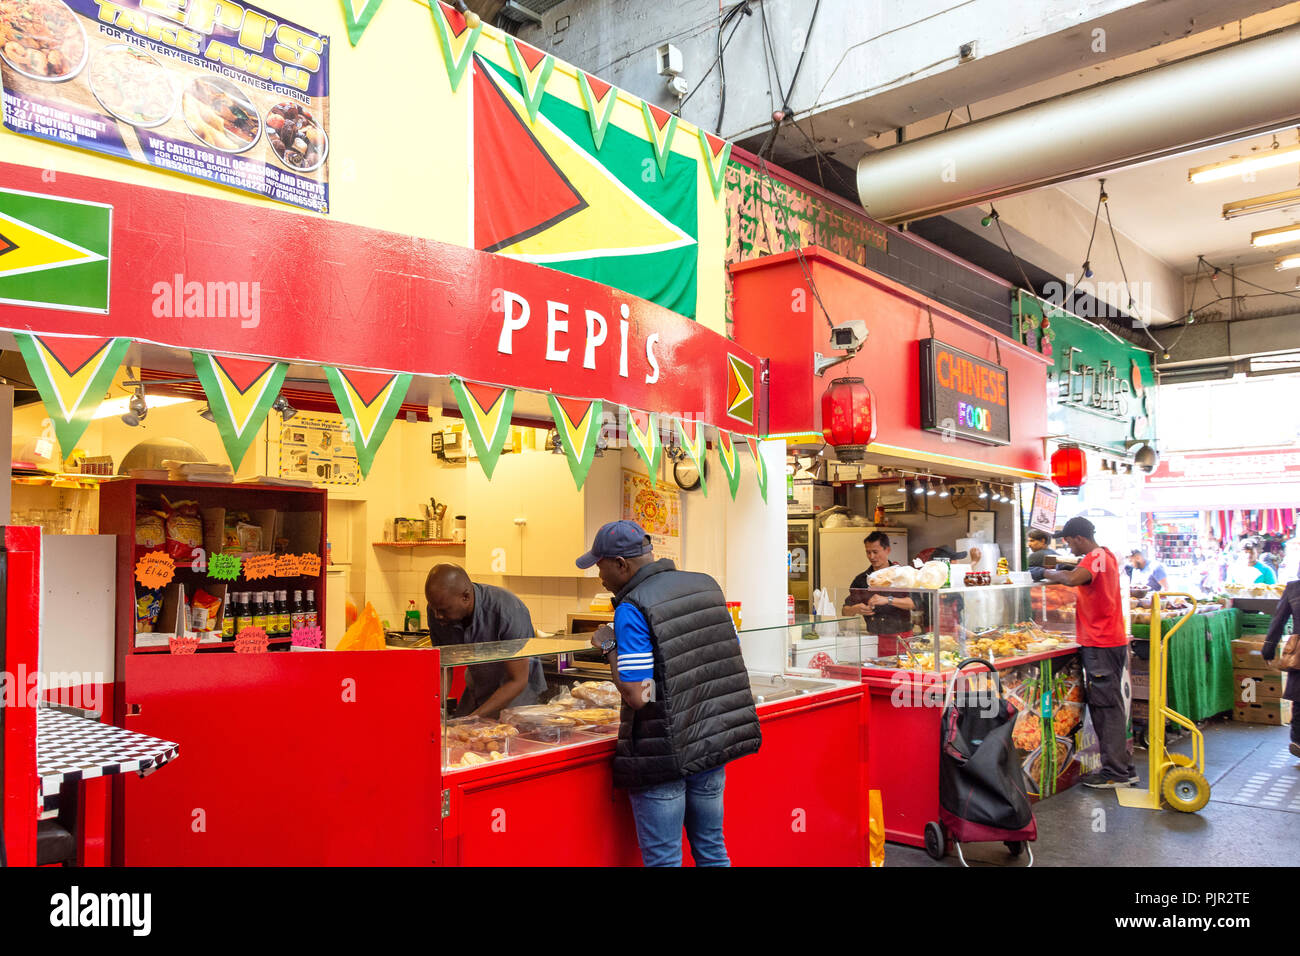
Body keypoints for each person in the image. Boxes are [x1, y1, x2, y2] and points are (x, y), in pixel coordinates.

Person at [576, 520, 760, 867]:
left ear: (621, 564)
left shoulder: (633, 607)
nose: (598, 575)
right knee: (712, 849)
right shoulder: (705, 585)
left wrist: (609, 645)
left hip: (661, 754)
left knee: (664, 860)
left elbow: (639, 695)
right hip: (710, 743)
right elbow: (725, 654)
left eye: (599, 566)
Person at [1042, 516, 1136, 788]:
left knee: (1105, 709)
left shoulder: (1095, 557)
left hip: (1100, 642)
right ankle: (1124, 767)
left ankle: (1114, 773)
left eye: (1069, 541)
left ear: (1079, 538)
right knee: (1112, 707)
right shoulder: (1106, 555)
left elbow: (1073, 579)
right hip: (1110, 640)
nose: (1068, 546)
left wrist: (1047, 573)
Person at [425, 564, 547, 718]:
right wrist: (435, 710)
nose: (437, 616)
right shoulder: (438, 609)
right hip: (478, 689)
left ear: (466, 597)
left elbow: (517, 680)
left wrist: (472, 719)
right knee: (457, 735)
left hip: (517, 699)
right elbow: (444, 667)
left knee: (498, 737)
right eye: (433, 608)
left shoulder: (507, 610)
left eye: (443, 610)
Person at [843, 531, 915, 656]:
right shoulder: (861, 580)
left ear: (887, 550)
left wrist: (888, 600)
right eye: (868, 552)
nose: (871, 556)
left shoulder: (902, 575)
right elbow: (844, 611)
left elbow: (914, 603)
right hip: (872, 638)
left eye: (875, 552)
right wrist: (855, 609)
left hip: (901, 637)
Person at [1261, 579, 1300, 758]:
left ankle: (1298, 741)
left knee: (1299, 697)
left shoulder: (1294, 588)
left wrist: (1268, 648)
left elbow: (1279, 620)